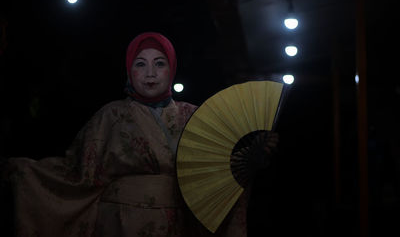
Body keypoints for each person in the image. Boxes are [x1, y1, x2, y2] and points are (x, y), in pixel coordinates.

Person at [2, 32, 278, 236]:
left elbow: (214, 174)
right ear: (129, 70)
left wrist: (251, 157)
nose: (150, 74)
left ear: (171, 69)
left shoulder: (195, 116)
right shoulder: (110, 115)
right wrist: (25, 171)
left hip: (181, 223)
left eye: (159, 64)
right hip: (120, 222)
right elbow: (76, 173)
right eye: (140, 64)